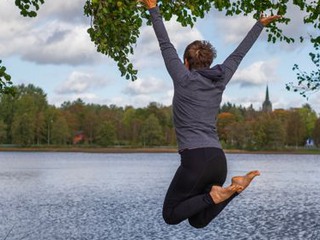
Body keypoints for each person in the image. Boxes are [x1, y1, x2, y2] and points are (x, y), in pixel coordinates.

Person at [139, 0, 281, 229]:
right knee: (198, 219)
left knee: (171, 214)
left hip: (195, 160)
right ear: (209, 62)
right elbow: (239, 54)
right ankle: (233, 189)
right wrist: (259, 25)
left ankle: (217, 195)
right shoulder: (220, 77)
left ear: (185, 63)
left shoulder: (183, 78)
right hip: (217, 160)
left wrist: (153, 8)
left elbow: (165, 44)